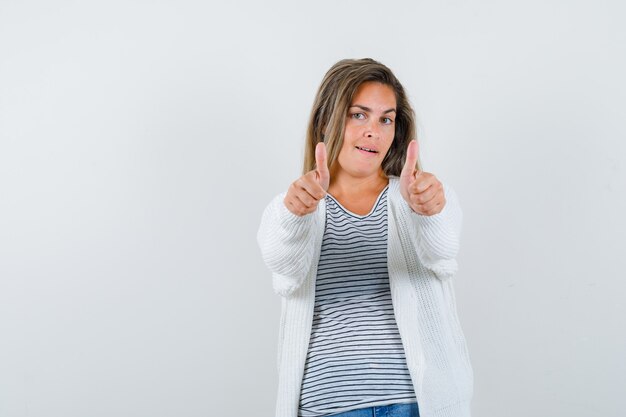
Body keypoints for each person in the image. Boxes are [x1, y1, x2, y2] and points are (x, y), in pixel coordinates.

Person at [257, 58, 473, 417]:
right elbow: (284, 269)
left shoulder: (424, 195)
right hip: (330, 407)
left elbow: (444, 255)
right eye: (359, 115)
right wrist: (295, 216)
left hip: (414, 404)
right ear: (327, 121)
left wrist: (427, 212)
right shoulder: (291, 206)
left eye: (385, 119)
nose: (374, 131)